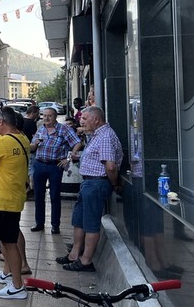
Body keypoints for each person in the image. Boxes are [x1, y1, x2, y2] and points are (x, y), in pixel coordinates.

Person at [56, 106, 123, 272]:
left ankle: (86, 261)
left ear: (96, 119)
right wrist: (77, 156)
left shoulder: (105, 136)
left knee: (91, 224)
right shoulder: (95, 135)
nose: (81, 121)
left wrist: (114, 184)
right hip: (88, 184)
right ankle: (74, 254)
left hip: (96, 184)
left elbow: (111, 166)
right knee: (79, 220)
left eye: (85, 119)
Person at [0, 107, 31, 299]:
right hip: (15, 196)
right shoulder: (22, 138)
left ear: (2, 122)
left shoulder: (2, 143)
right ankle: (7, 273)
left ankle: (17, 286)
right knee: (8, 239)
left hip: (3, 199)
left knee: (8, 242)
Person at [29, 108, 82, 234]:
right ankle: (39, 223)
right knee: (39, 196)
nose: (46, 118)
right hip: (40, 164)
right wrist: (33, 144)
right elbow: (32, 146)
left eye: (49, 116)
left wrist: (68, 158)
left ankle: (55, 225)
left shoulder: (64, 129)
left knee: (54, 196)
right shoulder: (41, 129)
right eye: (44, 116)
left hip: (55, 166)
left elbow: (77, 143)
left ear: (55, 117)